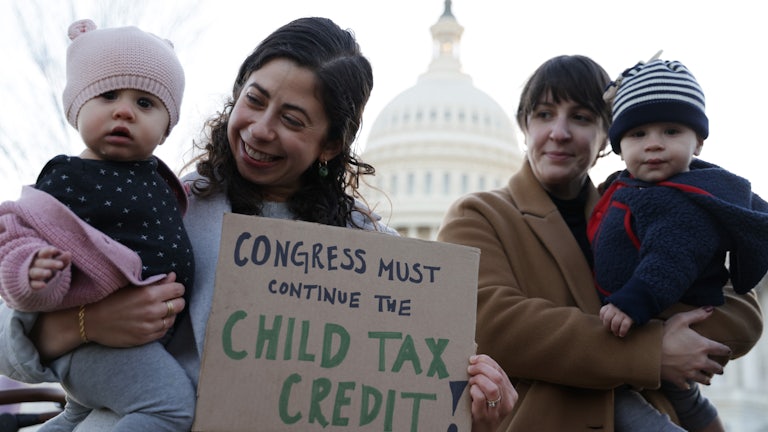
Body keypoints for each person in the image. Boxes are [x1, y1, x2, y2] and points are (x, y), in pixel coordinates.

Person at [0, 17, 516, 431]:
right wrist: (82, 327)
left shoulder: (380, 264)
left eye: (293, 120)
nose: (260, 130)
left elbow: (411, 396)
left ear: (331, 144)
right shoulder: (163, 202)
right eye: (254, 99)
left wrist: (476, 406)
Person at [436, 54, 764, 431]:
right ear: (524, 127)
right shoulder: (479, 215)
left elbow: (740, 312)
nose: (559, 132)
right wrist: (651, 351)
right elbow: (490, 325)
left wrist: (635, 318)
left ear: (608, 137)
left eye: (580, 118)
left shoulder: (644, 206)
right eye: (544, 115)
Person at [0, 19, 195, 432]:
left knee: (78, 414)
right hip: (95, 342)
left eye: (146, 103)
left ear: (165, 129)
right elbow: (15, 231)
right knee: (171, 408)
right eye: (108, 95)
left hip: (129, 345)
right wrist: (32, 270)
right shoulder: (71, 176)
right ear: (77, 108)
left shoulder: (159, 180)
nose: (124, 110)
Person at [588, 56, 768, 432]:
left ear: (699, 142)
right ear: (619, 145)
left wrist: (634, 301)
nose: (653, 145)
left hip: (649, 310)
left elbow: (671, 257)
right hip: (646, 322)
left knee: (627, 404)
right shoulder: (630, 188)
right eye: (638, 135)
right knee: (683, 396)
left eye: (671, 131)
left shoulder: (684, 201)